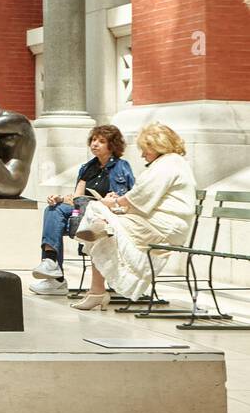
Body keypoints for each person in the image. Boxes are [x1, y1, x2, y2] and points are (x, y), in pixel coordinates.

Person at [71, 123, 197, 309]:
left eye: (145, 149)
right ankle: (97, 287)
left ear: (157, 146)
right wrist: (117, 203)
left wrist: (114, 202)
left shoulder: (169, 164)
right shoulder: (167, 162)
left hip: (164, 227)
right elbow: (142, 196)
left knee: (97, 212)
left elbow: (142, 194)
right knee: (98, 222)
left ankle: (97, 288)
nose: (142, 154)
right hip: (152, 221)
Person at [29, 125, 134, 296]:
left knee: (75, 213)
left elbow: (129, 199)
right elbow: (77, 198)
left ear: (112, 145)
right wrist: (61, 199)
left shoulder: (122, 167)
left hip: (107, 217)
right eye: (93, 140)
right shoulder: (87, 168)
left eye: (101, 141)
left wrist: (112, 199)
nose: (95, 144)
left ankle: (55, 273)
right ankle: (53, 269)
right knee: (53, 209)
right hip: (84, 213)